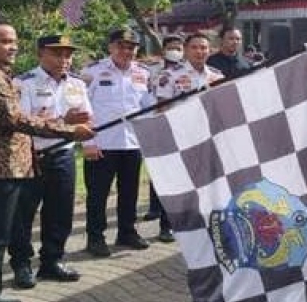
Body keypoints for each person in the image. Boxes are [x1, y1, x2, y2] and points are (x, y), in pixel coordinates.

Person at [0, 19, 94, 302]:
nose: (13, 46)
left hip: (3, 169)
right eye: (5, 41)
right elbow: (14, 118)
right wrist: (70, 129)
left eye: (14, 40)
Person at [8, 34, 91, 289]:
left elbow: (86, 118)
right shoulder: (24, 83)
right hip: (32, 155)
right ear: (41, 54)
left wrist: (83, 127)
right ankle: (21, 264)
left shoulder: (77, 84)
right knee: (22, 213)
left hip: (63, 154)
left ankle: (51, 261)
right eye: (57, 53)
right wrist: (64, 121)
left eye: (68, 54)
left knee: (60, 212)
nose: (64, 59)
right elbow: (21, 123)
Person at [81, 28, 154, 257]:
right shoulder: (92, 72)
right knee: (98, 195)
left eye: (131, 47)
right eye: (121, 45)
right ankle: (95, 238)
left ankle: (127, 232)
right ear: (110, 47)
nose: (126, 51)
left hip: (132, 142)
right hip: (102, 144)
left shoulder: (143, 73)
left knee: (129, 192)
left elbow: (147, 107)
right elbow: (84, 109)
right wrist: (88, 142)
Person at [151, 32, 224, 242]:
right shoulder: (170, 75)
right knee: (177, 184)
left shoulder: (217, 76)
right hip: (179, 137)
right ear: (185, 49)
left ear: (210, 50)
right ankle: (168, 225)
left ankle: (204, 222)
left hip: (208, 137)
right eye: (195, 47)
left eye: (204, 48)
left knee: (207, 182)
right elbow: (161, 108)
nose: (200, 51)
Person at [143, 34, 184, 223]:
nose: (175, 51)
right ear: (164, 49)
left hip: (177, 125)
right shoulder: (150, 70)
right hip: (153, 122)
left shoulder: (185, 71)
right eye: (172, 47)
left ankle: (172, 211)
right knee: (156, 167)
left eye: (179, 48)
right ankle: (154, 207)